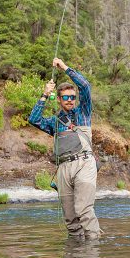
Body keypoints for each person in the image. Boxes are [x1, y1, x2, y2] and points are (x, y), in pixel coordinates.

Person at [29, 57, 100, 240]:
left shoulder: (83, 112)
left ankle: (92, 252)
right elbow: (34, 120)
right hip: (63, 168)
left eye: (72, 97)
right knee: (70, 219)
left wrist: (65, 68)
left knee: (84, 210)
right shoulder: (54, 122)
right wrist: (45, 94)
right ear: (59, 99)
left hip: (84, 163)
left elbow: (85, 86)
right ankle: (75, 256)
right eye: (66, 97)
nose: (70, 100)